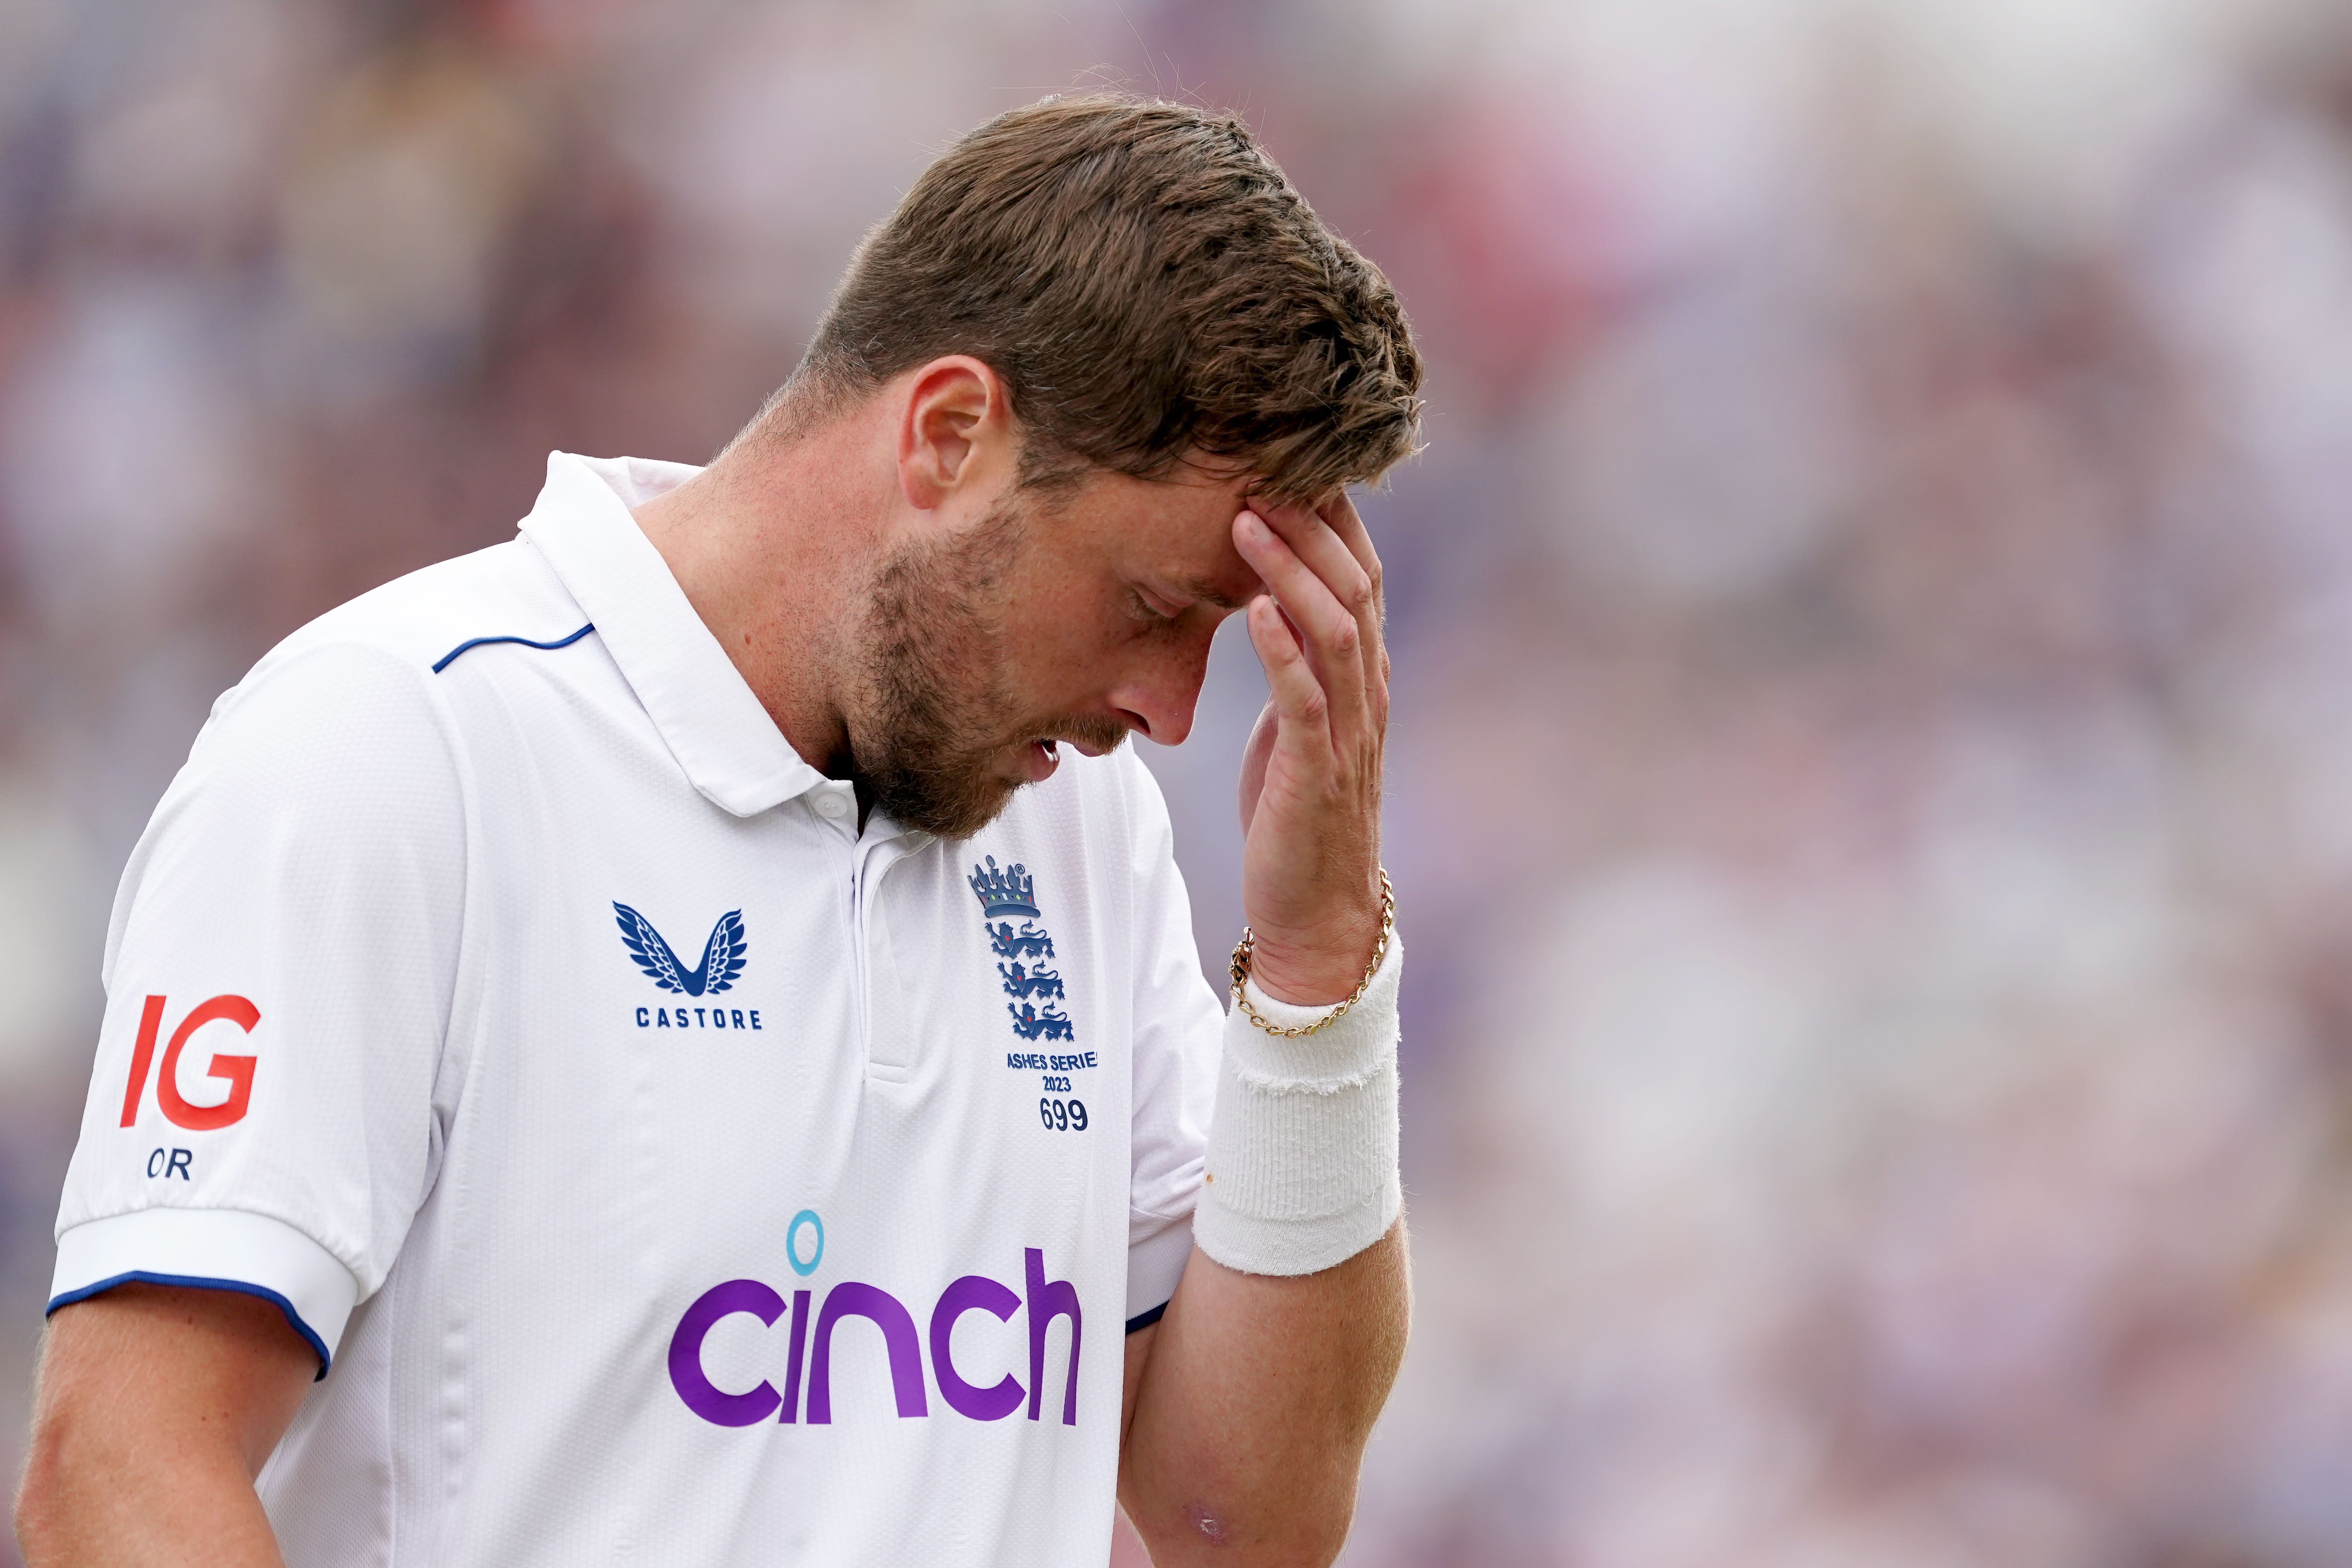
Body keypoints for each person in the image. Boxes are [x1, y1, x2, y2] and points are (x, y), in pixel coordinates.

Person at [15, 93, 1420, 1568]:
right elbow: (119, 1469)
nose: (1176, 712)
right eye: (1152, 608)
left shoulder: (1088, 836)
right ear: (950, 435)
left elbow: (1243, 1521)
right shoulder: (391, 746)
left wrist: (1320, 974)